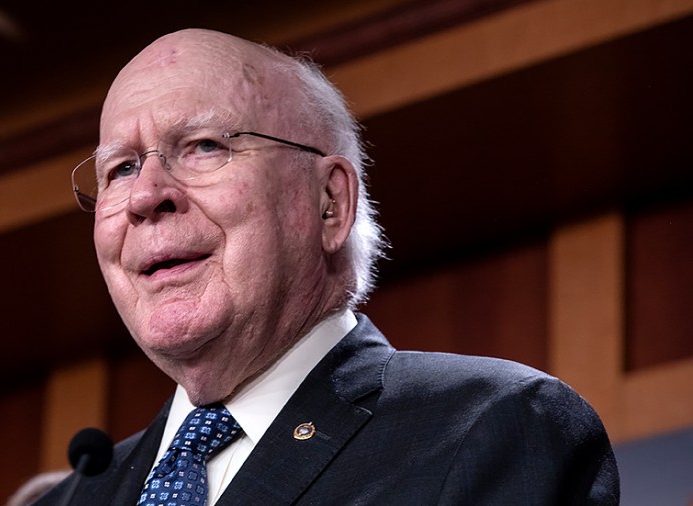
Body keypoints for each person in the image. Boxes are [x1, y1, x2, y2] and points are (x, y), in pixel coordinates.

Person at [34, 28, 619, 505]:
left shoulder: (488, 429)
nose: (144, 196)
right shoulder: (69, 500)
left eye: (205, 146)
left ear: (330, 203)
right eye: (120, 168)